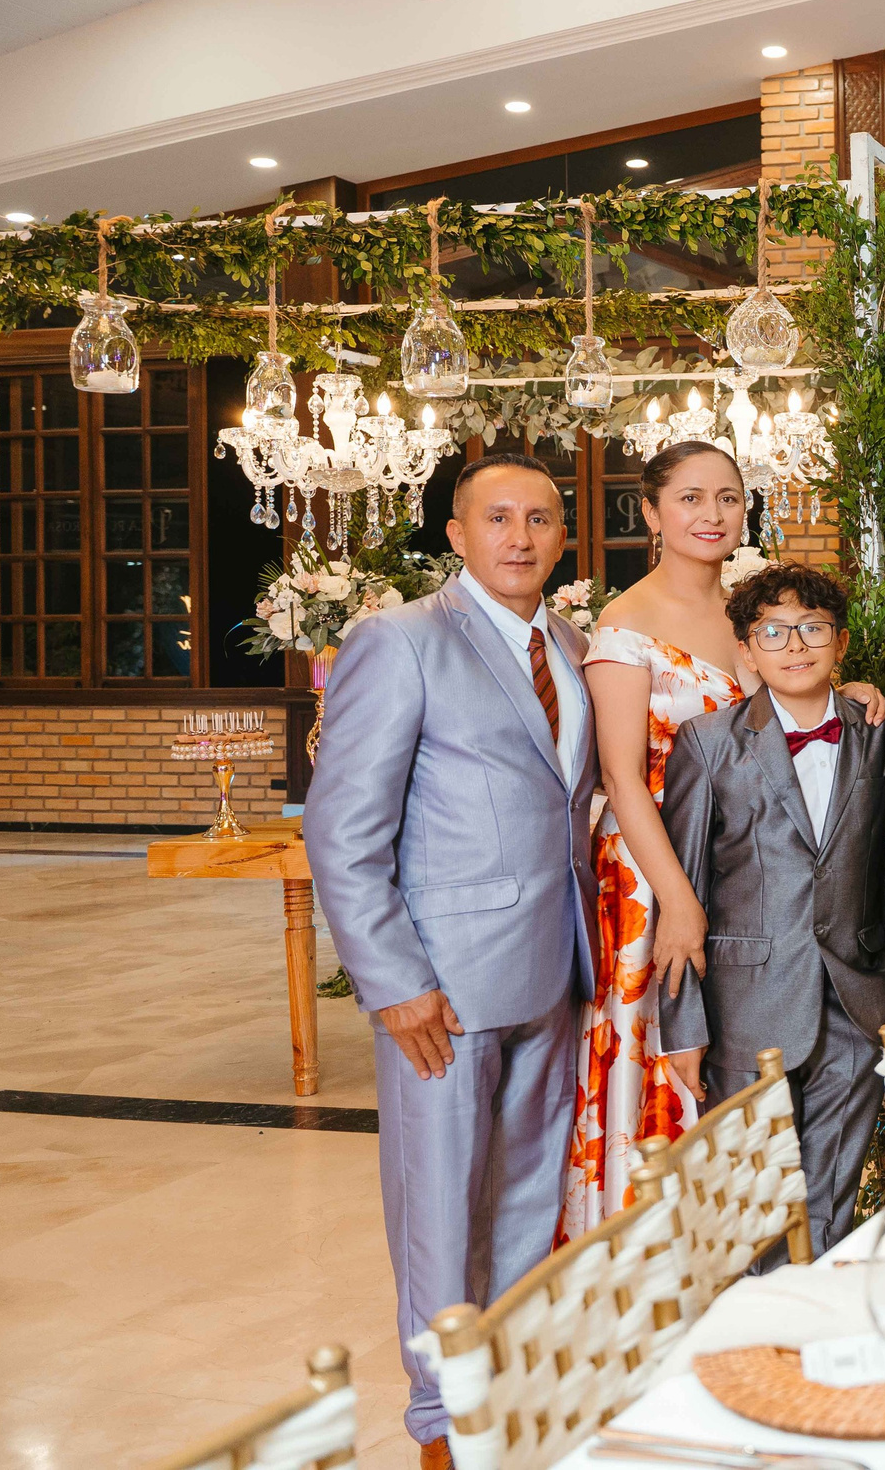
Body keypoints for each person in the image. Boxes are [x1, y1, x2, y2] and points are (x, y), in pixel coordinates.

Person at [303, 452, 595, 1463]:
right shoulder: (401, 641)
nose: (520, 536)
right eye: (497, 517)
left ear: (564, 538)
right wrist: (393, 983)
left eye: (540, 518)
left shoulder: (569, 644)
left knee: (525, 1197)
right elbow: (343, 831)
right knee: (439, 1209)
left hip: (552, 968)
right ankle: (440, 1424)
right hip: (443, 987)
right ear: (457, 535)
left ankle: (498, 1395)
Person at [563, 441, 882, 1239]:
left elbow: (787, 702)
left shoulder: (753, 607)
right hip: (655, 871)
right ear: (651, 512)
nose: (712, 514)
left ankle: (769, 1257)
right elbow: (622, 777)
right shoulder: (624, 625)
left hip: (750, 867)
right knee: (669, 1058)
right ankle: (664, 1252)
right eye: (691, 498)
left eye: (729, 498)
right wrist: (677, 900)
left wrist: (847, 690)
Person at [657, 563, 885, 1257]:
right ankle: (757, 1314)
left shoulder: (878, 732)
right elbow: (683, 893)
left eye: (812, 629)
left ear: (841, 641)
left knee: (830, 1200)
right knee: (753, 1202)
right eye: (772, 631)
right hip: (745, 1009)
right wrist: (683, 1025)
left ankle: (812, 1306)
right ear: (747, 650)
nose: (794, 645)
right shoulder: (708, 742)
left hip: (856, 1001)